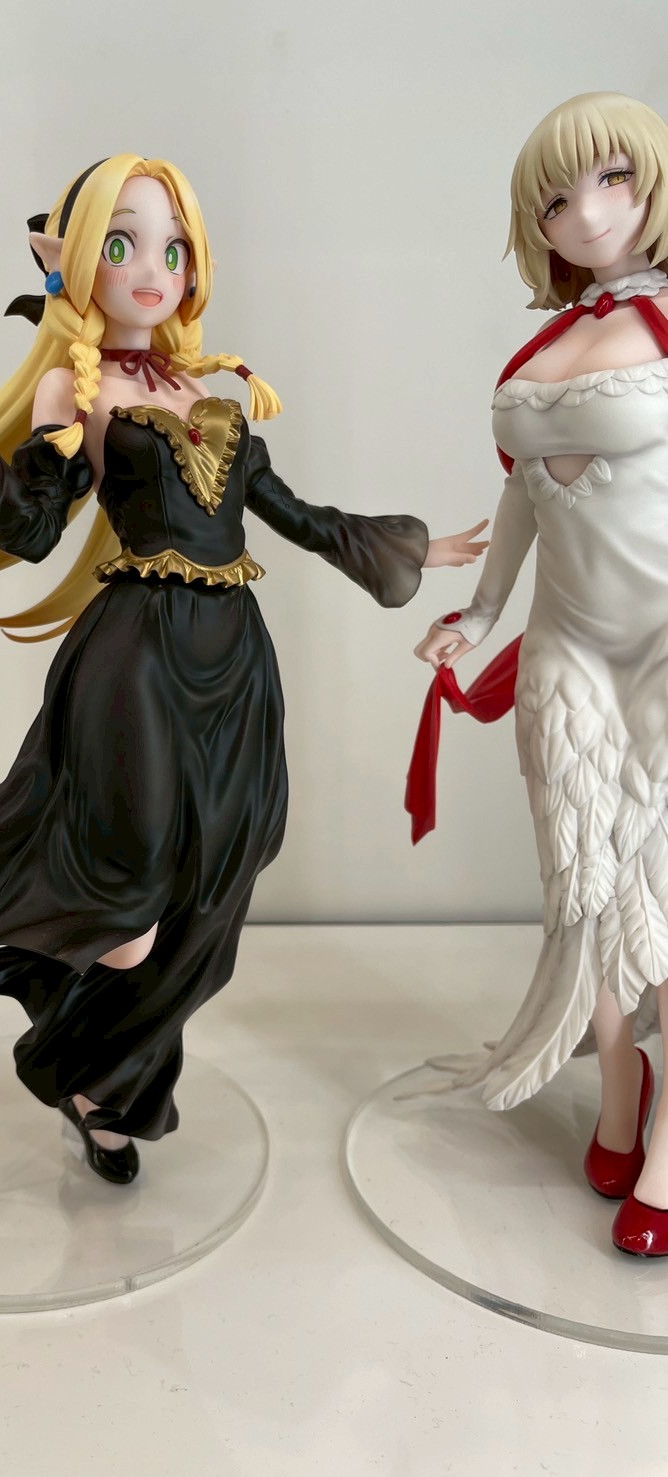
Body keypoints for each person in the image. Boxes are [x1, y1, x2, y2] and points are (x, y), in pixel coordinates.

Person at [0, 155, 483, 1183]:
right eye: (121, 244)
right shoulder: (74, 388)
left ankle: (106, 1085)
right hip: (137, 658)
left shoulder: (210, 390)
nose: (152, 269)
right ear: (72, 262)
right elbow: (31, 527)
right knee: (129, 905)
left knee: (211, 893)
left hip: (234, 663)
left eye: (172, 248)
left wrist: (408, 547)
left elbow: (293, 513)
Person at [414, 94, 668, 1254]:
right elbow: (523, 491)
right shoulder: (546, 349)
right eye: (558, 198)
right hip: (568, 646)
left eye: (614, 179)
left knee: (664, 889)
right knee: (582, 885)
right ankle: (619, 1087)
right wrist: (477, 613)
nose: (588, 212)